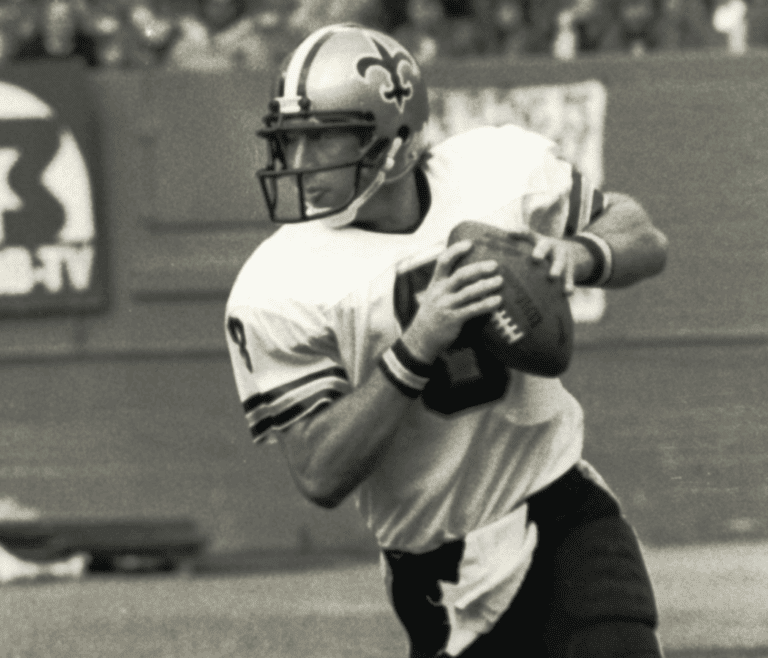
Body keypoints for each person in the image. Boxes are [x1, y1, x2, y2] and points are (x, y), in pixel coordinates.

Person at [224, 23, 669, 658]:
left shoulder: (497, 170)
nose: (298, 164)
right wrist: (415, 347)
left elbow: (645, 237)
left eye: (319, 140)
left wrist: (581, 252)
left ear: (390, 139)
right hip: (435, 569)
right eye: (290, 141)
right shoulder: (276, 284)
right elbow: (319, 473)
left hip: (562, 514)